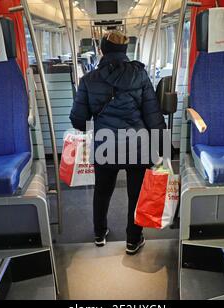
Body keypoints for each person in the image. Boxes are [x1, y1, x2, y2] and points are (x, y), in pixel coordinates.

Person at [69, 31, 166, 255]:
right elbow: (152, 114)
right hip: (138, 144)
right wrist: (161, 147)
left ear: (102, 49)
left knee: (102, 191)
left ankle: (99, 233)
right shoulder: (140, 76)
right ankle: (133, 240)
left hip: (105, 144)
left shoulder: (88, 80)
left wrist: (94, 123)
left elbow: (77, 119)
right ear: (125, 51)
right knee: (135, 194)